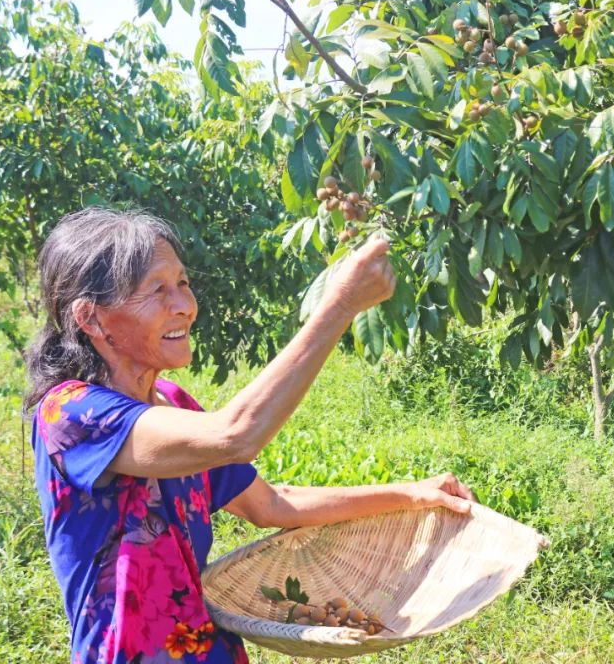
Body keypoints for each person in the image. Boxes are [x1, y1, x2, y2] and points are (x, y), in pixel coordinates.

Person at [24, 207, 476, 664]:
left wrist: (414, 495)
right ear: (92, 318)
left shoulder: (173, 402)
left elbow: (270, 505)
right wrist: (339, 307)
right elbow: (237, 433)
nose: (184, 305)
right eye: (157, 290)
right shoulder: (70, 413)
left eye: (182, 283)